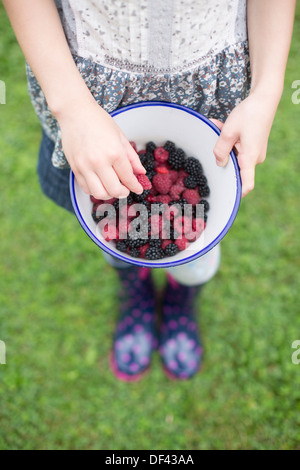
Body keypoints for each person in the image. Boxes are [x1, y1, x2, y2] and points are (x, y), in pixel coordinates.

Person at [3, 0, 295, 381]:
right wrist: (71, 107)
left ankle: (181, 297)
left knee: (195, 254)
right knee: (114, 236)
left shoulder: (182, 188)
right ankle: (136, 291)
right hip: (86, 96)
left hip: (208, 91)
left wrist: (267, 91)